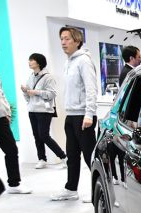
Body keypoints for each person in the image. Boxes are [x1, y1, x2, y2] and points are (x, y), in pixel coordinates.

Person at [51, 26, 97, 201]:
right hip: (71, 115)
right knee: (71, 155)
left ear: (77, 41)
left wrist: (89, 114)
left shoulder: (84, 61)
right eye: (61, 39)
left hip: (83, 116)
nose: (63, 42)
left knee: (90, 156)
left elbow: (91, 89)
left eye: (67, 38)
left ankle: (101, 190)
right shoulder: (68, 61)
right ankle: (71, 189)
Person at [21, 53, 67, 169]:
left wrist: (36, 92)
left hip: (44, 111)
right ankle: (42, 159)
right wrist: (25, 91)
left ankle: (64, 157)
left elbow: (52, 94)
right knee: (37, 136)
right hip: (32, 110)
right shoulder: (31, 77)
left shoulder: (48, 77)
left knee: (44, 135)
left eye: (32, 60)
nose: (29, 62)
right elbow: (28, 97)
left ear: (39, 62)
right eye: (29, 60)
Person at [0, 70, 32, 195]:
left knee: (11, 150)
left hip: (0, 118)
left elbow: (0, 93)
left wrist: (7, 111)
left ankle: (14, 184)